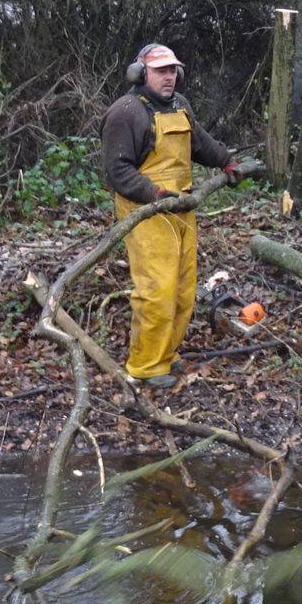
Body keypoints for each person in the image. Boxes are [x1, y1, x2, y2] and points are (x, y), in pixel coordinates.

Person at [99, 43, 239, 387]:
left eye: (172, 70)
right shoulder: (127, 112)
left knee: (182, 288)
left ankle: (166, 354)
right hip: (145, 210)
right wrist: (153, 194)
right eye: (161, 70)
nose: (168, 77)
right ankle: (145, 367)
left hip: (181, 206)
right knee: (156, 289)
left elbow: (199, 143)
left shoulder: (181, 106)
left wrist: (225, 160)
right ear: (141, 73)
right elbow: (117, 171)